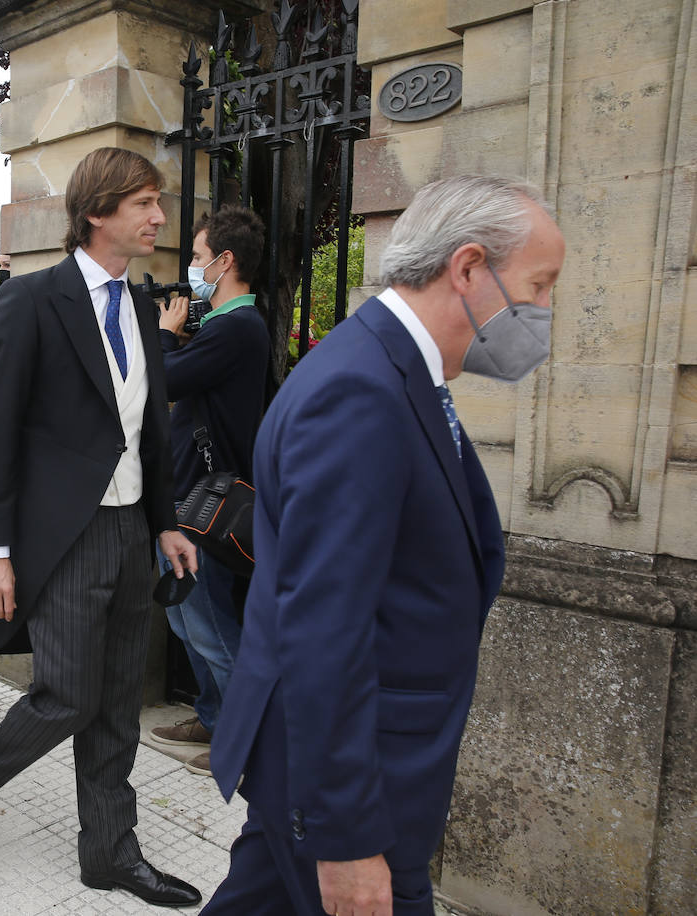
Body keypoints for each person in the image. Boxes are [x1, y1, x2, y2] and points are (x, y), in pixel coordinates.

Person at [203, 176, 562, 915]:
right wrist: (346, 836)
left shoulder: (394, 369)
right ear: (466, 269)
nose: (545, 310)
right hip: (355, 781)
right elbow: (324, 625)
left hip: (340, 760)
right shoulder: (361, 390)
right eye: (539, 284)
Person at [0, 147, 202, 908]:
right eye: (144, 204)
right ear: (98, 213)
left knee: (119, 699)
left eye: (158, 204)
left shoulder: (141, 300)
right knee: (65, 694)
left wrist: (165, 524)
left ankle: (109, 854)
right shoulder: (32, 300)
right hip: (63, 536)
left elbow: (149, 433)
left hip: (130, 532)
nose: (159, 217)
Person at [149, 206, 269, 777]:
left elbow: (167, 380)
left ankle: (245, 744)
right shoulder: (223, 328)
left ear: (225, 262)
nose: (191, 270)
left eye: (198, 258)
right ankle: (213, 712)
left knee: (215, 629)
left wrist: (167, 336)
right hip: (186, 500)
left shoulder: (238, 327)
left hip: (209, 507)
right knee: (185, 621)